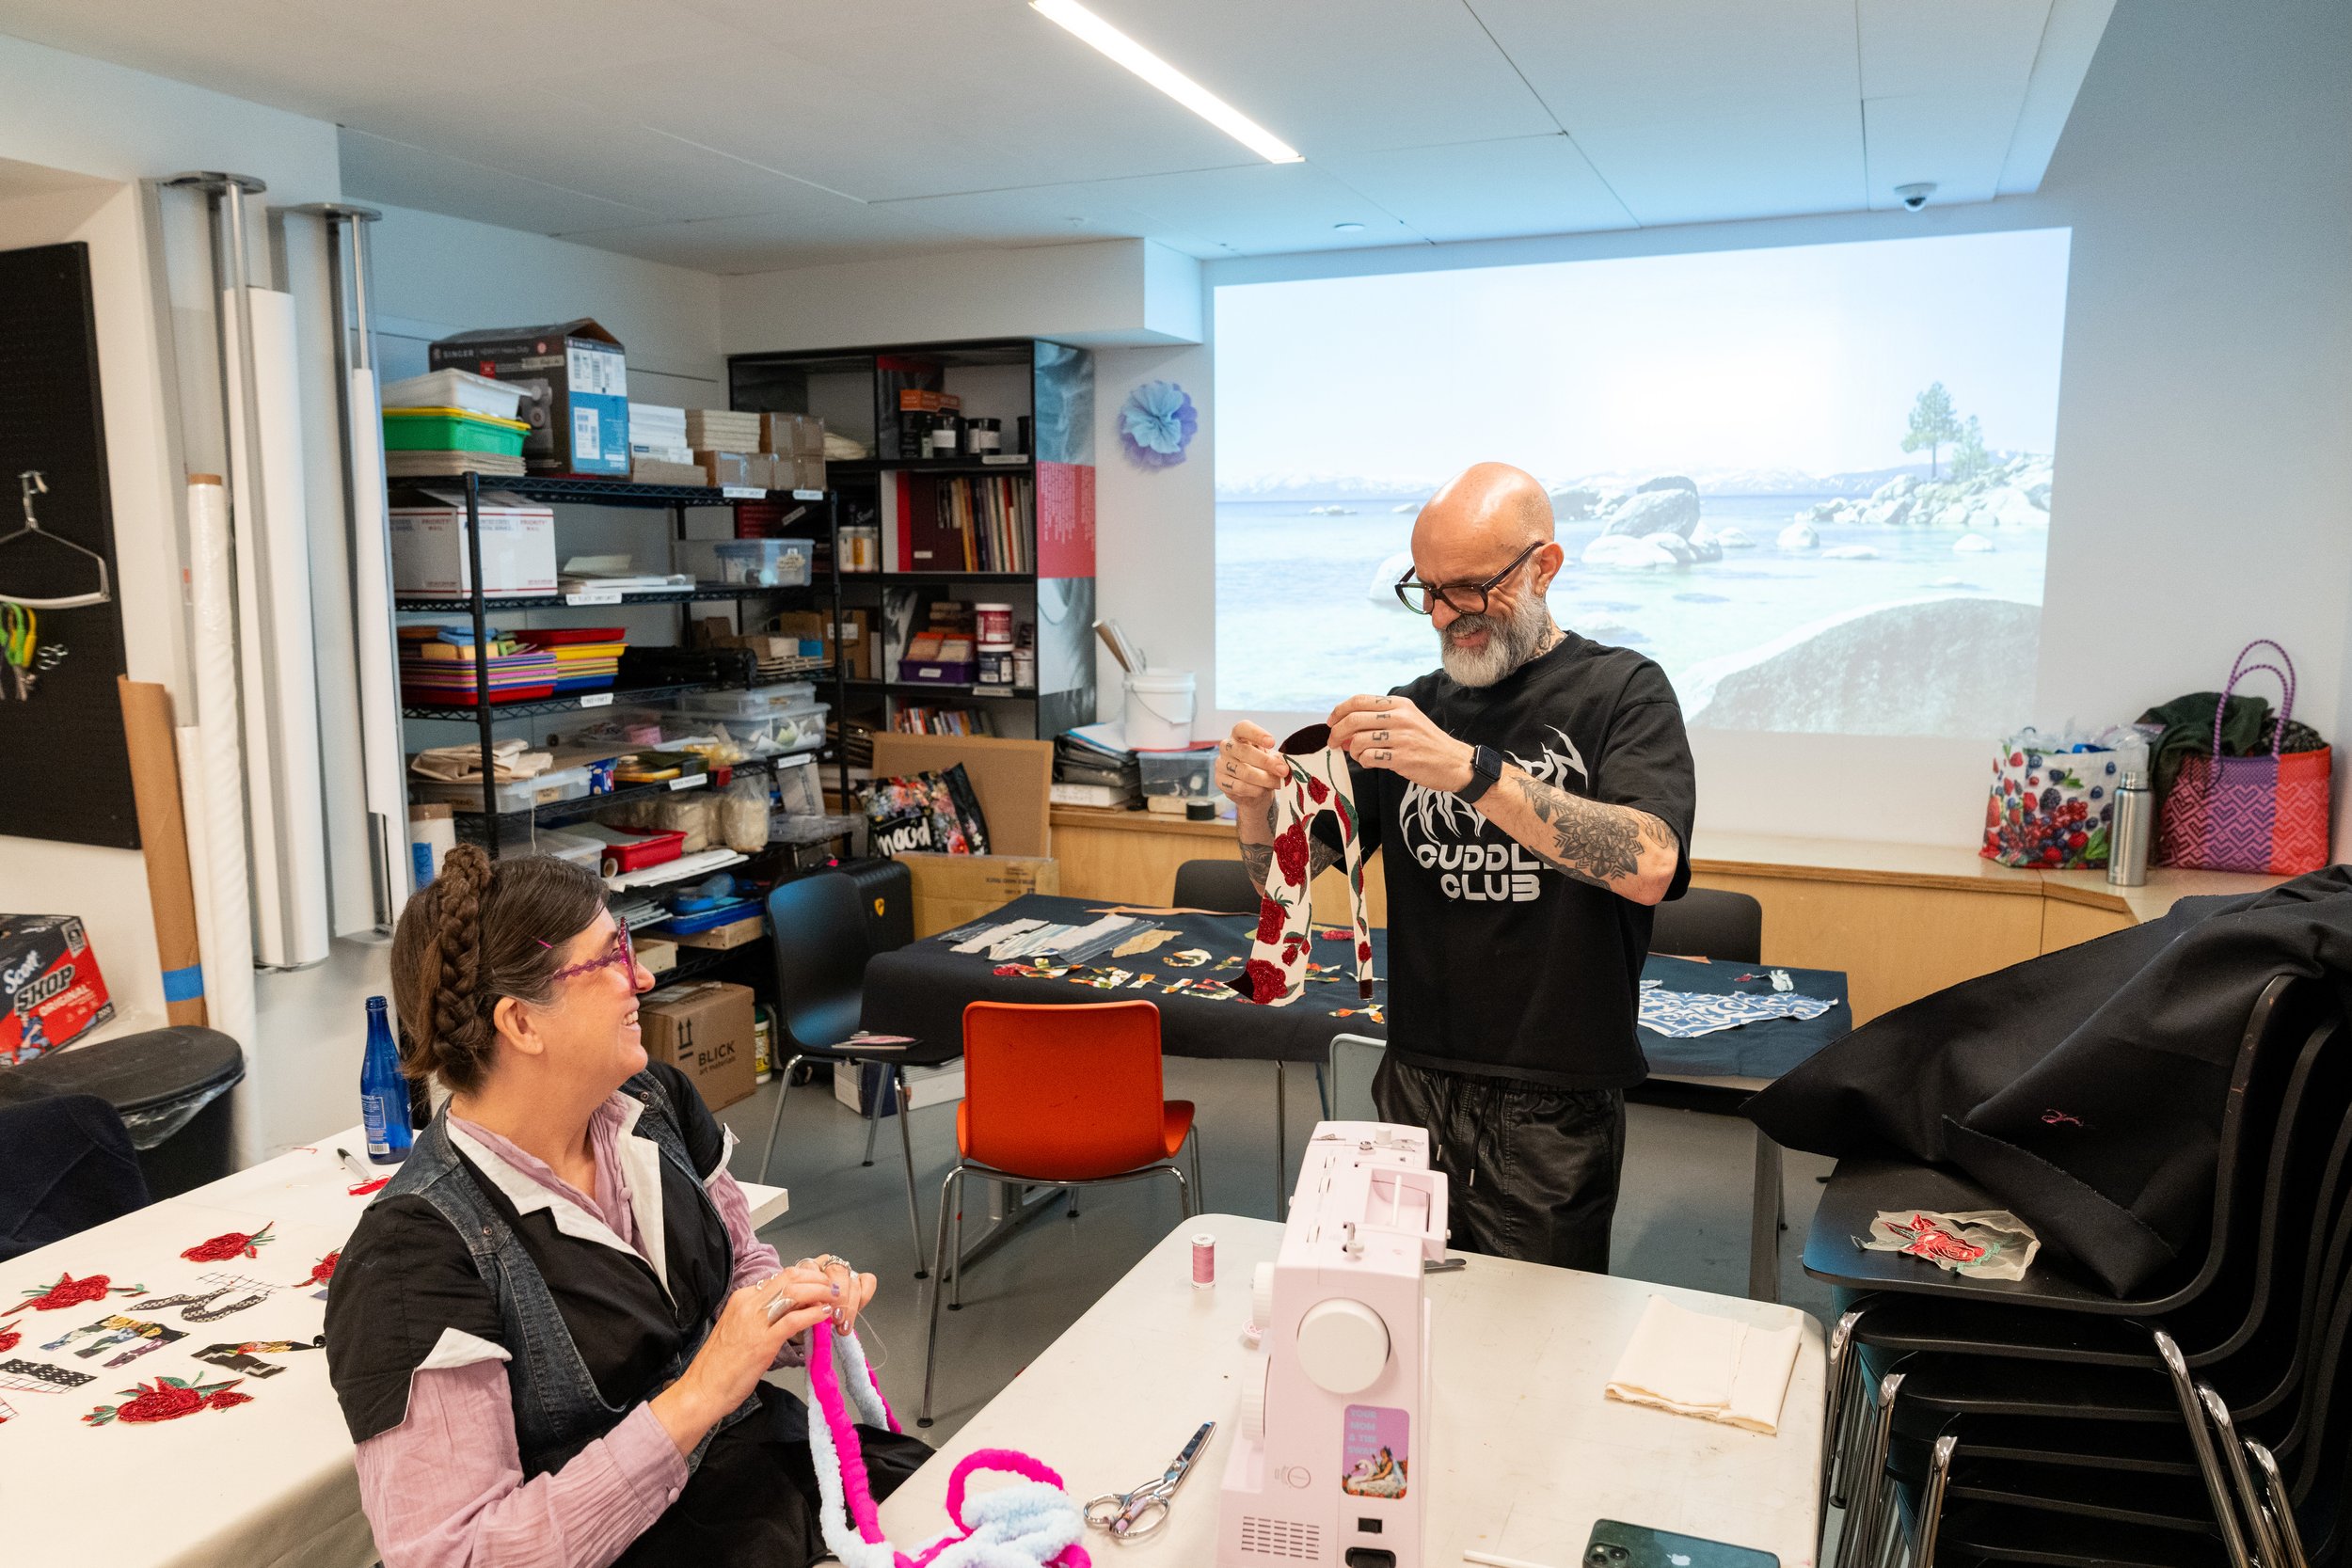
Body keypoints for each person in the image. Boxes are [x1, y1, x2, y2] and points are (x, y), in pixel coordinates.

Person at [324, 846, 930, 1568]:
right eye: (610, 957)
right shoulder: (410, 1261)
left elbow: (743, 1266)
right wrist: (701, 1391)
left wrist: (785, 1306)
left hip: (764, 1479)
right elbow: (459, 1555)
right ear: (521, 1022)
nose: (642, 977)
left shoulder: (654, 1103)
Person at [1218, 462, 1696, 1272]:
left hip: (1553, 1098)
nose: (1445, 615)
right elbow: (1282, 894)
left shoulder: (1623, 691)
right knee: (1399, 1324)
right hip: (1413, 1082)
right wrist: (1254, 804)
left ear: (1545, 565)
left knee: (1537, 1345)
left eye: (1471, 588)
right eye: (1428, 590)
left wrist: (1470, 772)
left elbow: (1649, 860)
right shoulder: (1412, 708)